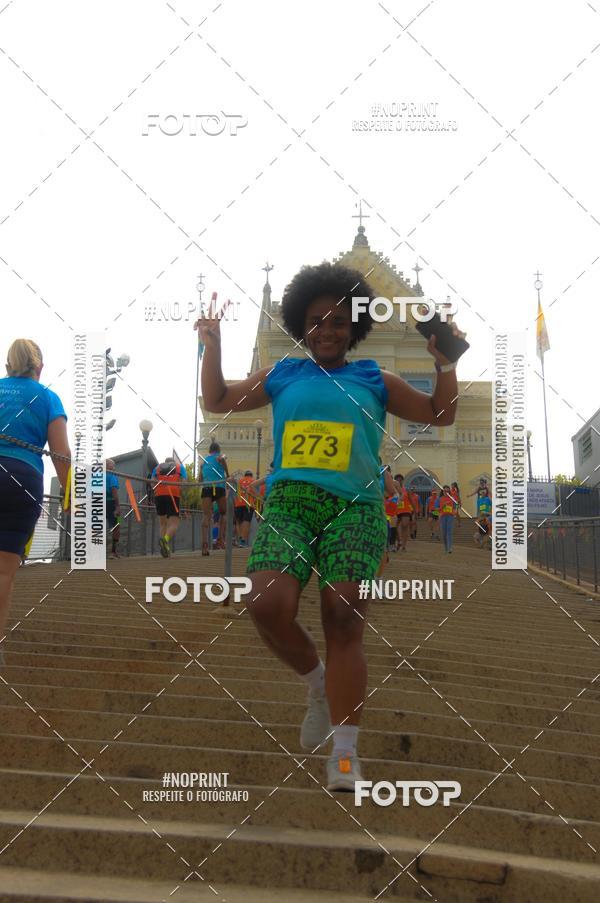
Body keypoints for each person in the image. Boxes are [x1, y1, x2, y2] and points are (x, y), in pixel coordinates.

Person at [197, 261, 464, 791]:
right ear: (303, 324)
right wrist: (212, 345)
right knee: (266, 604)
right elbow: (218, 400)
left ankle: (345, 753)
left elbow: (441, 413)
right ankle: (316, 683)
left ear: (355, 328)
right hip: (290, 503)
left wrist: (444, 365)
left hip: (357, 510)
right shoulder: (284, 374)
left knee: (344, 616)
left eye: (341, 321)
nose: (329, 330)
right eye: (318, 320)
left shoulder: (374, 379)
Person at [0, 340, 70, 667]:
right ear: (38, 367)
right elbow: (61, 453)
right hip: (22, 477)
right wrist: (70, 493)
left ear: (8, 365)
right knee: (3, 573)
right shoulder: (48, 397)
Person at [151, 456, 187, 558]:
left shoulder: (157, 468)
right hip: (173, 494)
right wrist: (179, 489)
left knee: (162, 524)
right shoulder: (179, 467)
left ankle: (165, 548)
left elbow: (152, 482)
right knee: (174, 523)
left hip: (159, 495)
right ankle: (165, 540)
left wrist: (157, 490)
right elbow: (184, 482)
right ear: (173, 462)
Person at [200, 442, 229, 555]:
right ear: (218, 450)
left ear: (209, 450)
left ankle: (204, 545)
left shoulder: (205, 461)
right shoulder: (220, 456)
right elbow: (223, 459)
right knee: (223, 513)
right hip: (219, 486)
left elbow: (200, 480)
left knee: (206, 515)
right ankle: (220, 539)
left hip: (207, 487)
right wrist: (227, 474)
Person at [235, 470, 255, 547]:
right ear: (251, 475)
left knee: (238, 522)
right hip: (249, 504)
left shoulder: (239, 481)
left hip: (238, 504)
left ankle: (239, 538)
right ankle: (243, 540)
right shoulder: (254, 481)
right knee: (246, 521)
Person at [394, 473, 413, 551]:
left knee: (405, 526)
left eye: (400, 479)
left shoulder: (406, 490)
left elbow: (411, 501)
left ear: (402, 480)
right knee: (394, 527)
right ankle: (399, 541)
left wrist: (415, 511)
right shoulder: (392, 489)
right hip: (394, 510)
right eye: (397, 479)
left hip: (405, 510)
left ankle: (404, 545)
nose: (399, 481)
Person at [106, 459, 121, 558]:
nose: (114, 467)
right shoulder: (111, 476)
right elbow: (114, 491)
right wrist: (118, 506)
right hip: (110, 503)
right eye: (113, 465)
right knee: (116, 527)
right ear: (107, 466)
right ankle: (113, 552)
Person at [438, 485, 457, 553]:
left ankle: (450, 548)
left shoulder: (452, 498)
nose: (446, 492)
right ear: (442, 491)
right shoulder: (440, 499)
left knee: (449, 532)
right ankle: (446, 548)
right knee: (444, 533)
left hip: (450, 516)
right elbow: (437, 509)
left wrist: (455, 512)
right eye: (445, 491)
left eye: (447, 491)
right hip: (443, 517)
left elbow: (455, 507)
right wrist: (442, 507)